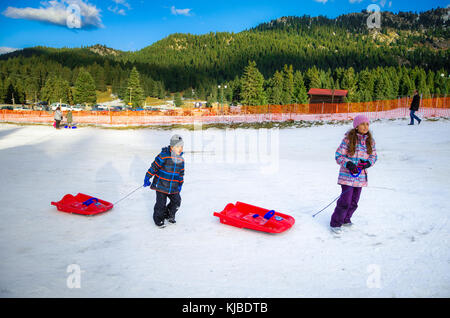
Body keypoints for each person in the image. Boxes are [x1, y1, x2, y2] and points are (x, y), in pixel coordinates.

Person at [330, 115, 378, 235]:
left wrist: (367, 163)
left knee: (354, 201)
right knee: (345, 201)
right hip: (347, 177)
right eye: (362, 124)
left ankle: (346, 219)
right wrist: (349, 164)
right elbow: (338, 155)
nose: (365, 126)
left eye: (367, 124)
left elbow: (374, 156)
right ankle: (336, 223)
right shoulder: (348, 140)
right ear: (356, 126)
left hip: (360, 178)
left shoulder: (370, 142)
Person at [144, 134, 185, 228]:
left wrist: (180, 184)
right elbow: (154, 167)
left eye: (181, 146)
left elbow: (181, 174)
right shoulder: (163, 156)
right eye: (178, 146)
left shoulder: (181, 160)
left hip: (173, 187)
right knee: (160, 204)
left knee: (177, 201)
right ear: (172, 147)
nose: (180, 149)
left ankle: (169, 214)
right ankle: (159, 219)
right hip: (161, 185)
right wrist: (147, 177)